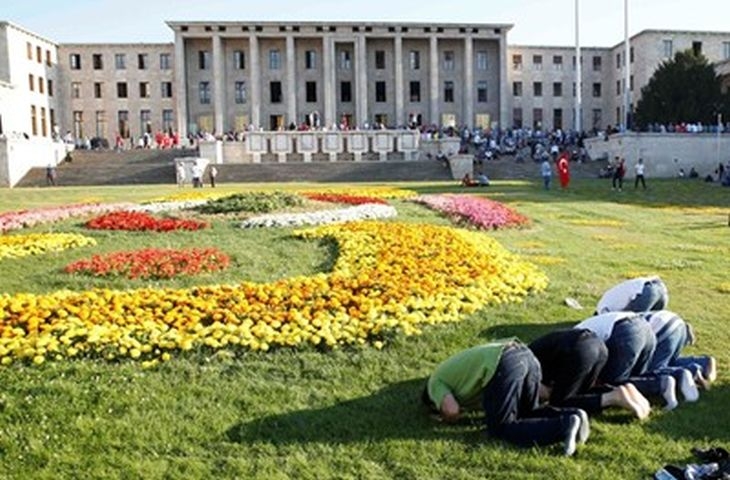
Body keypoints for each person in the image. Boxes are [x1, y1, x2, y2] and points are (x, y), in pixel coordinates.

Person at [422, 340, 589, 456]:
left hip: (504, 361)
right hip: (524, 354)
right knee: (526, 413)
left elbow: (451, 411)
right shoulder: (457, 378)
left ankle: (562, 427)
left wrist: (444, 418)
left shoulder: (434, 383)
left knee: (500, 428)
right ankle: (572, 415)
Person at [530, 328, 651, 419]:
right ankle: (619, 390)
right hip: (598, 346)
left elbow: (539, 389)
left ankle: (612, 397)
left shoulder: (522, 364)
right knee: (581, 393)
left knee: (559, 403)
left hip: (579, 349)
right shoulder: (527, 353)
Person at [575, 312, 678, 410]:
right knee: (634, 377)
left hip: (624, 331)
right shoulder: (580, 329)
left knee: (611, 383)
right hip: (644, 327)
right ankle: (672, 377)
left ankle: (659, 384)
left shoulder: (573, 342)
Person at [644, 310, 717, 391]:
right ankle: (704, 362)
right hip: (677, 323)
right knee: (669, 361)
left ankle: (692, 372)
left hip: (664, 330)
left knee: (652, 370)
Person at [595, 276, 669, 315]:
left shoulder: (601, 309)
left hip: (644, 291)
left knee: (634, 324)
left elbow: (613, 319)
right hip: (660, 287)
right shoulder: (605, 301)